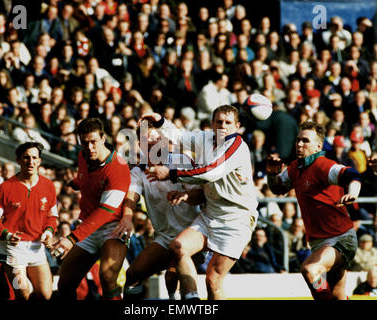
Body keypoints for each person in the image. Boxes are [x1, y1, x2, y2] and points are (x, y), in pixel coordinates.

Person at [139, 104, 259, 300]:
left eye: (228, 122)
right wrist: (160, 121)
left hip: (236, 218)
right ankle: (192, 299)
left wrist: (171, 173)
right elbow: (179, 136)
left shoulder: (238, 147)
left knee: (213, 280)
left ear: (237, 126)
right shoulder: (205, 138)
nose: (222, 126)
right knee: (178, 246)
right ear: (212, 123)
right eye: (219, 121)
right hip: (210, 213)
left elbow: (211, 172)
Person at [266, 121, 362, 300]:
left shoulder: (322, 165)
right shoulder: (295, 167)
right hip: (320, 244)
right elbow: (278, 189)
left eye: (305, 141)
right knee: (337, 296)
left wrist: (353, 193)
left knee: (310, 269)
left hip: (341, 239)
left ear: (318, 146)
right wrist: (272, 174)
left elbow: (352, 174)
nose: (299, 144)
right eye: (298, 140)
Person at [122, 122, 202, 300]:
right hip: (164, 237)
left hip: (194, 232)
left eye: (156, 138)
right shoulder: (137, 171)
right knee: (131, 276)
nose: (152, 143)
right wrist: (127, 217)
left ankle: (184, 301)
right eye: (146, 139)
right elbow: (131, 197)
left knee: (173, 272)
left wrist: (185, 196)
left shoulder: (183, 161)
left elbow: (201, 195)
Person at [53, 118, 131, 300]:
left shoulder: (118, 167)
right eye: (84, 142)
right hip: (88, 227)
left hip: (113, 228)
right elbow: (86, 178)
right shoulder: (83, 156)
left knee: (107, 276)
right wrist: (75, 183)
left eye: (93, 141)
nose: (89, 147)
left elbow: (106, 211)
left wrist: (72, 238)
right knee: (65, 282)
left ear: (103, 138)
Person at [0, 142, 58, 300]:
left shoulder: (49, 186)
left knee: (45, 295)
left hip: (36, 248)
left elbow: (52, 216)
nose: (31, 162)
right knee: (23, 293)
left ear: (39, 161)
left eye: (34, 158)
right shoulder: (5, 187)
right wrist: (7, 235)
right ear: (18, 161)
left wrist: (48, 231)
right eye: (26, 158)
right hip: (13, 249)